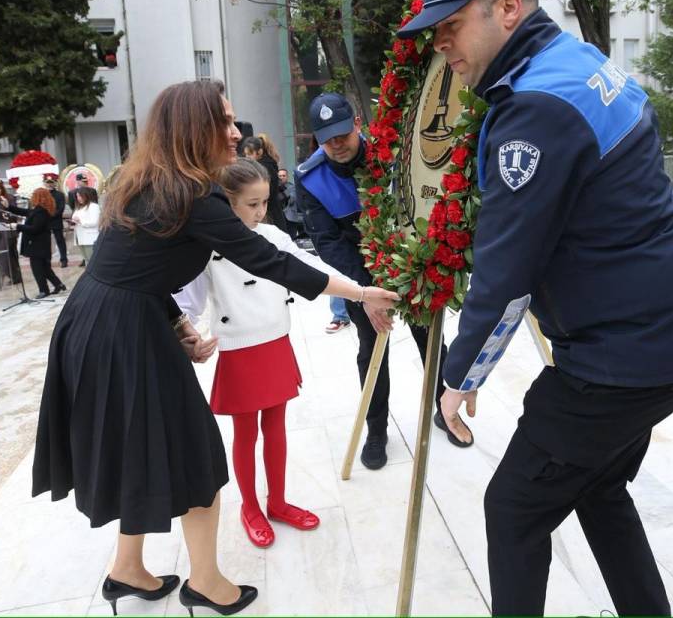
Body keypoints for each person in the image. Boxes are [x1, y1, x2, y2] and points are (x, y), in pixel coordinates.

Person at [399, 0, 673, 617]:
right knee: (598, 488)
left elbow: (508, 271)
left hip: (617, 364)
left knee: (513, 508)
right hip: (667, 341)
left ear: (508, 9)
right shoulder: (573, 63)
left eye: (451, 25)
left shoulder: (535, 111)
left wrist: (458, 377)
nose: (440, 44)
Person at [31, 80, 398, 617]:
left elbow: (132, 271)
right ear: (192, 128)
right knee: (196, 457)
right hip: (126, 332)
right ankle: (206, 583)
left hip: (95, 322)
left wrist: (176, 323)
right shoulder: (194, 194)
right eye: (223, 121)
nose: (235, 131)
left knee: (139, 447)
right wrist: (361, 292)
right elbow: (271, 261)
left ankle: (126, 569)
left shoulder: (144, 180)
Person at [176, 159, 354, 548]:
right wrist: (182, 333)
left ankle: (279, 501)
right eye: (251, 204)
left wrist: (358, 288)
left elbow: (310, 265)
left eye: (264, 202)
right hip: (238, 348)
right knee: (245, 433)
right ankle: (251, 507)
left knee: (276, 427)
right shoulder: (207, 248)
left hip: (276, 340)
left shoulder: (274, 236)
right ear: (228, 203)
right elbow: (185, 299)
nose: (260, 212)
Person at [295, 92, 473, 470]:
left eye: (342, 134)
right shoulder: (310, 178)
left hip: (410, 257)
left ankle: (445, 408)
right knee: (371, 346)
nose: (336, 144)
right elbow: (327, 243)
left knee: (430, 338)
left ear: (357, 123)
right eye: (326, 138)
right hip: (358, 270)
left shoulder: (392, 153)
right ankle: (377, 429)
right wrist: (365, 294)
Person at [6, 188, 66, 298]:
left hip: (38, 245)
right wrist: (8, 207)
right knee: (45, 268)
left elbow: (35, 228)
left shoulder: (41, 211)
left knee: (37, 268)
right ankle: (58, 284)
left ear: (38, 197)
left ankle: (44, 290)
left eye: (34, 195)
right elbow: (24, 212)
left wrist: (17, 226)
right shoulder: (39, 209)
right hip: (40, 244)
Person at [241, 136, 288, 233]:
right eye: (245, 154)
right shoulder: (266, 165)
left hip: (269, 213)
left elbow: (266, 193)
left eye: (250, 154)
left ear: (259, 152)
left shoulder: (263, 168)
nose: (247, 157)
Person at [68, 186, 101, 267]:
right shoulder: (79, 207)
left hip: (90, 238)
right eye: (77, 196)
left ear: (86, 195)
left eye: (80, 196)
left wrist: (80, 221)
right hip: (80, 237)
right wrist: (72, 222)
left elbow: (94, 222)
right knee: (86, 260)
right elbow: (75, 218)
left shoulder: (93, 206)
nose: (78, 198)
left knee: (92, 261)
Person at [44, 175, 69, 268]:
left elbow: (61, 208)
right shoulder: (43, 194)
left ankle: (64, 259)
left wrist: (50, 216)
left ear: (55, 184)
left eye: (51, 183)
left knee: (60, 240)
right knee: (46, 242)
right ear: (45, 183)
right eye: (48, 183)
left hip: (56, 221)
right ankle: (47, 261)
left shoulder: (59, 194)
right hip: (45, 222)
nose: (49, 185)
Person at [277, 168, 303, 240]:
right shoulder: (273, 188)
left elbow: (292, 200)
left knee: (292, 240)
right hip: (278, 218)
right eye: (280, 176)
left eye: (283, 176)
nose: (281, 178)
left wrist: (283, 190)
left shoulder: (293, 187)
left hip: (290, 218)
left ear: (287, 177)